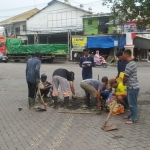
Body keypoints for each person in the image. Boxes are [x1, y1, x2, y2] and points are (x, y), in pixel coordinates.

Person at [123, 49, 139, 124]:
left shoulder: (129, 65)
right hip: (132, 86)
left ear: (126, 55)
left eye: (123, 55)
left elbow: (125, 76)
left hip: (133, 87)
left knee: (132, 104)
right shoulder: (132, 63)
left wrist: (123, 82)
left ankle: (133, 118)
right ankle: (131, 115)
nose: (123, 57)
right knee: (131, 103)